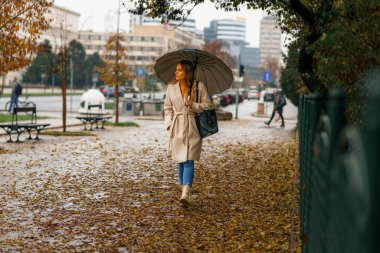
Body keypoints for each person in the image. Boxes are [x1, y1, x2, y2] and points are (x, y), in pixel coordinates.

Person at [164, 60, 211, 207]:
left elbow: (208, 105)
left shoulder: (198, 87)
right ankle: (184, 190)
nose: (176, 72)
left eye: (179, 70)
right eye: (176, 69)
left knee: (189, 159)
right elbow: (167, 108)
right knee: (181, 160)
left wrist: (194, 105)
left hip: (192, 126)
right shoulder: (171, 88)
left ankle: (185, 194)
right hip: (177, 126)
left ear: (187, 72)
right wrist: (169, 124)